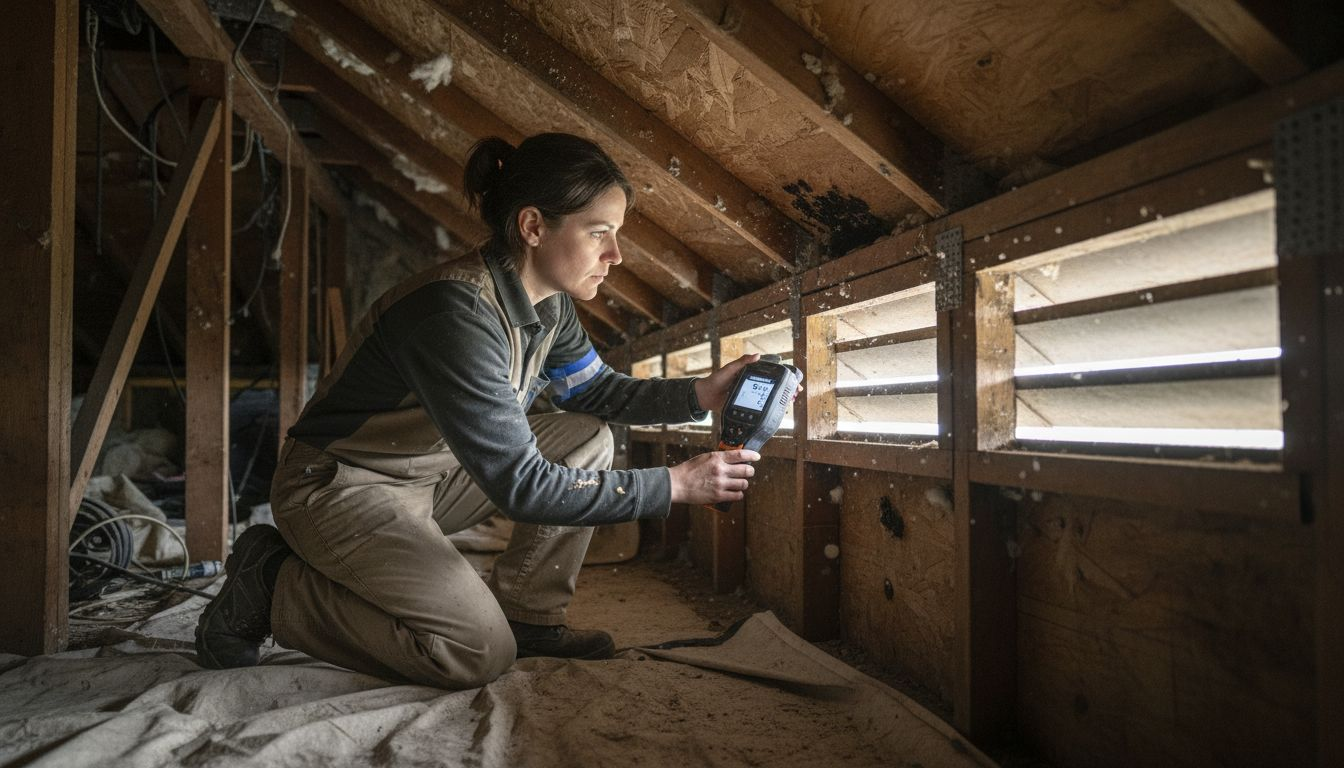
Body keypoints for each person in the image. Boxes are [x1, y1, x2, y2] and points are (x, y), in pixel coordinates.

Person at [194, 132, 761, 689]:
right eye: (599, 234)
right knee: (474, 653)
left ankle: (530, 618)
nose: (615, 255)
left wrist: (701, 395)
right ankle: (272, 586)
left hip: (428, 475)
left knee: (586, 435)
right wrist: (674, 486)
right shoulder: (455, 314)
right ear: (533, 226)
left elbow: (596, 394)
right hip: (340, 488)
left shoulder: (550, 306)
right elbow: (523, 488)